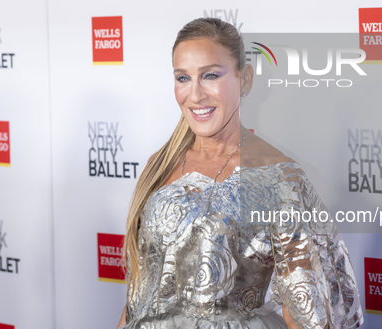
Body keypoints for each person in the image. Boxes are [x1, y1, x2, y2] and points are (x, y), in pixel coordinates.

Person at [117, 18, 363, 329]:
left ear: (245, 79)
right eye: (183, 78)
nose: (194, 95)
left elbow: (308, 314)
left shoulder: (280, 180)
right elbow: (138, 298)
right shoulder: (159, 164)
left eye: (210, 76)